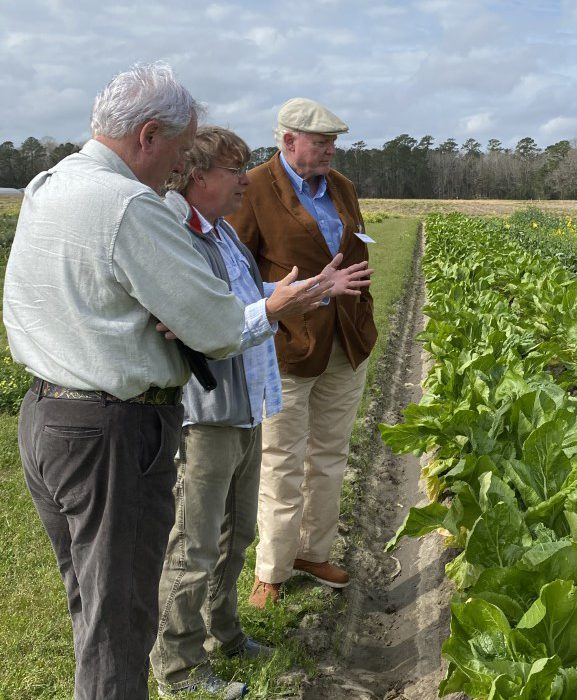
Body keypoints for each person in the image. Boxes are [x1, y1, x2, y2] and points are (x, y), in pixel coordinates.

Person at [2, 63, 246, 700]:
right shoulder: (128, 205)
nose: (180, 167)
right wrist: (176, 311)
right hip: (112, 432)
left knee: (90, 601)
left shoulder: (46, 184)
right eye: (179, 148)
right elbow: (219, 325)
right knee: (120, 620)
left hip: (46, 418)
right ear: (146, 135)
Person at [150, 126, 372, 698]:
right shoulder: (174, 233)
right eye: (233, 172)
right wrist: (275, 305)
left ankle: (224, 631)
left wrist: (310, 291)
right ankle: (178, 666)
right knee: (193, 542)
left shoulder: (218, 230)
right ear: (198, 177)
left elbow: (245, 306)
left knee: (236, 532)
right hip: (207, 411)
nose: (243, 184)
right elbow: (201, 322)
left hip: (246, 403)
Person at [228, 98, 377, 607]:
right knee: (282, 459)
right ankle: (271, 569)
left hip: (345, 340)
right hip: (287, 346)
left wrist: (353, 297)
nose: (332, 150)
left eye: (334, 142)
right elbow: (233, 274)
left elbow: (355, 251)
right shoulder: (252, 189)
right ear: (288, 141)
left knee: (331, 454)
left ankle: (314, 552)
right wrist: (317, 287)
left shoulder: (343, 188)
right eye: (322, 142)